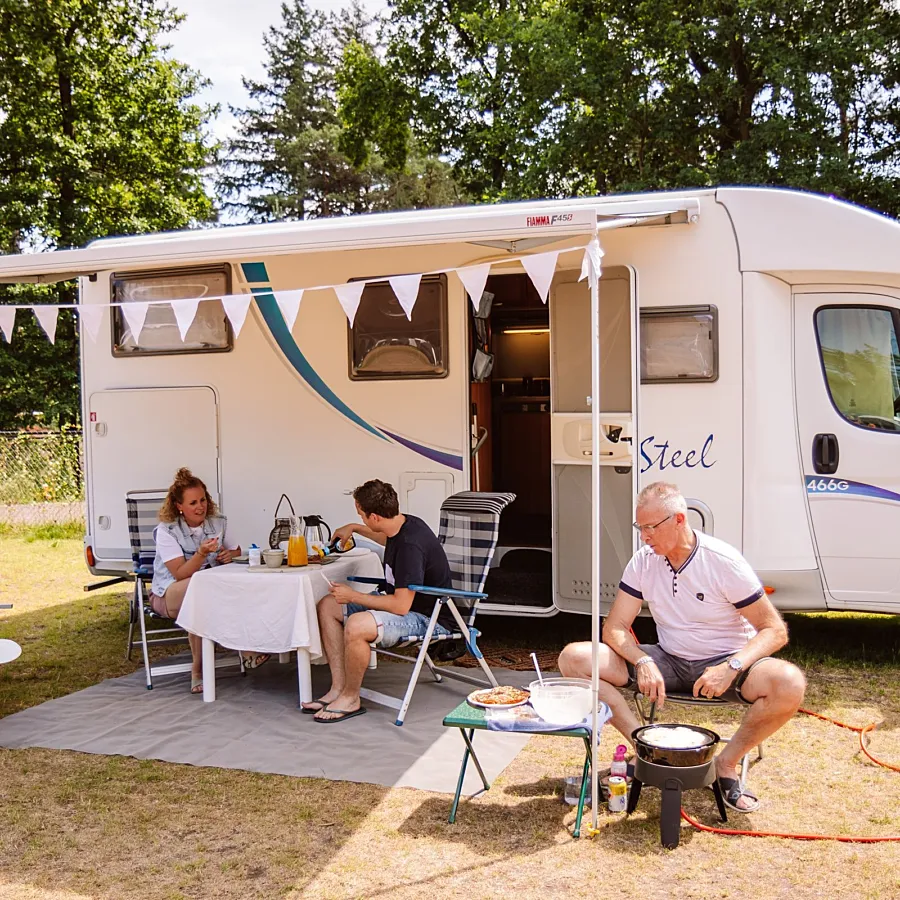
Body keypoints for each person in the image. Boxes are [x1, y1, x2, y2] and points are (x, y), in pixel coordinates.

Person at [558, 481, 806, 812]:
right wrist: (642, 660)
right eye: (640, 527)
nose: (644, 537)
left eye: (650, 528)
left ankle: (725, 764)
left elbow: (774, 630)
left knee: (789, 683)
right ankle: (646, 751)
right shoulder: (644, 560)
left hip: (727, 663)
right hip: (669, 659)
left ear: (679, 519)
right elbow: (614, 628)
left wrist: (731, 667)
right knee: (574, 658)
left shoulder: (722, 561)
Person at [301, 479, 455, 723]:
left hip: (428, 618)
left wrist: (353, 596)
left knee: (357, 624)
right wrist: (353, 527)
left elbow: (401, 606)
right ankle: (338, 689)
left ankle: (351, 698)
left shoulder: (410, 546)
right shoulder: (401, 524)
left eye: (361, 515)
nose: (361, 519)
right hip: (405, 607)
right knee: (328, 606)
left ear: (374, 517)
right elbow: (384, 539)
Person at [150, 467, 266, 693]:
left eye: (202, 500)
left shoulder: (218, 522)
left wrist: (228, 555)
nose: (200, 506)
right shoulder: (167, 531)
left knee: (208, 595)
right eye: (192, 503)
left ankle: (205, 670)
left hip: (206, 590)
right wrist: (201, 554)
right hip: (168, 593)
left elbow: (238, 551)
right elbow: (180, 574)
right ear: (179, 506)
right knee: (199, 590)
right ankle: (236, 656)